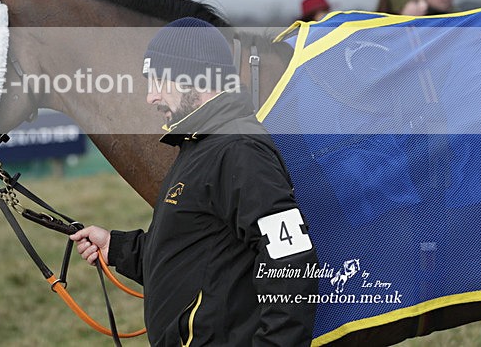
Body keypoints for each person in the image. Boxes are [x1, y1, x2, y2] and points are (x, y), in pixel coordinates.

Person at [71, 18, 319, 346]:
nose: (151, 96)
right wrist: (115, 247)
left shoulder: (238, 149)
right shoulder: (197, 145)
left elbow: (293, 260)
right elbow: (194, 254)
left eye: (159, 80)